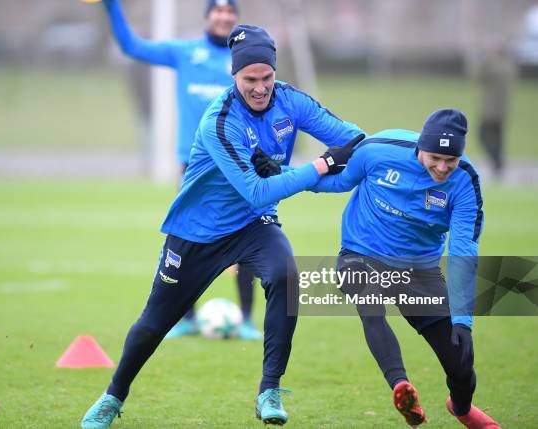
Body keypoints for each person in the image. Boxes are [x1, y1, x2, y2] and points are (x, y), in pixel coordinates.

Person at [80, 24, 365, 428]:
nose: (261, 87)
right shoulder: (221, 120)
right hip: (198, 232)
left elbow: (355, 139)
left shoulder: (291, 101)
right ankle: (113, 395)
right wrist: (316, 166)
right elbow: (256, 190)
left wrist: (334, 163)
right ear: (234, 76)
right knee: (153, 325)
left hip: (253, 227)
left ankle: (269, 389)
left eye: (267, 77)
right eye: (251, 79)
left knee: (286, 276)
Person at [305, 109, 499, 428]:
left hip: (418, 271)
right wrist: (283, 175)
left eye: (450, 160)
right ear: (420, 147)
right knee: (369, 303)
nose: (442, 167)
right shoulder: (379, 150)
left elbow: (464, 251)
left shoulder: (465, 181)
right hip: (361, 254)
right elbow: (338, 180)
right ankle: (401, 386)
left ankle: (462, 408)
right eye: (435, 157)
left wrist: (463, 320)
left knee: (461, 363)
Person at [101, 0, 262, 340]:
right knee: (187, 238)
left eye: (229, 11)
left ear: (235, 18)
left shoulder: (244, 59)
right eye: (217, 10)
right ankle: (186, 317)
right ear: (208, 17)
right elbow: (132, 47)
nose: (223, 16)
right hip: (195, 165)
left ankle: (246, 320)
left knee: (249, 235)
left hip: (238, 161)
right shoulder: (185, 52)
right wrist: (112, 6)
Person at [478, 41, 515, 178]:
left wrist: (483, 59)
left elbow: (477, 76)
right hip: (502, 111)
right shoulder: (508, 67)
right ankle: (498, 165)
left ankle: (497, 162)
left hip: (490, 111)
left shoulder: (493, 66)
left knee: (482, 135)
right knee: (498, 139)